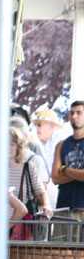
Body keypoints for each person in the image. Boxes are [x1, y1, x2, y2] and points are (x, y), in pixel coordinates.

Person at [52, 100, 84, 237]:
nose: (74, 116)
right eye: (72, 113)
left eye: (79, 113)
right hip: (63, 207)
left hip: (82, 206)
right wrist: (77, 174)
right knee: (60, 254)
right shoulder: (62, 145)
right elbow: (55, 178)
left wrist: (65, 170)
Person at [9, 126, 52, 216]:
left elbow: (41, 192)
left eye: (12, 144)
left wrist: (46, 205)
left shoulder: (29, 167)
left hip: (21, 223)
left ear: (19, 146)